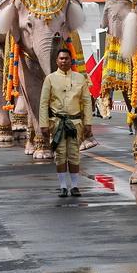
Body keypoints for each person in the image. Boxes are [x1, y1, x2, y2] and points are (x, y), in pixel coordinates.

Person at [39, 49, 92, 198]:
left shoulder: (80, 78)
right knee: (60, 155)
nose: (64, 61)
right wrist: (43, 124)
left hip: (75, 123)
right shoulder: (50, 78)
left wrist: (88, 123)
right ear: (57, 61)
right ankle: (63, 187)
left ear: (71, 60)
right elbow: (44, 103)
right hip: (57, 123)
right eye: (61, 59)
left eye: (66, 58)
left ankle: (74, 186)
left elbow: (87, 102)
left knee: (74, 154)